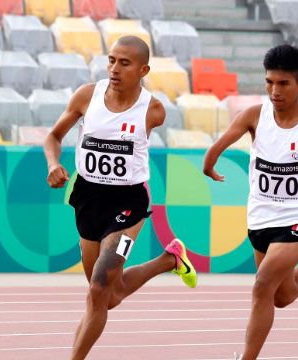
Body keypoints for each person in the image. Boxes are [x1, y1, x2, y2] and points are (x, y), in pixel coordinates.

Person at [44, 35, 198, 360]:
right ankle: (170, 260)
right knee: (106, 297)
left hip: (128, 204)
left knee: (99, 288)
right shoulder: (88, 95)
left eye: (124, 63)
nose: (114, 68)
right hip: (87, 197)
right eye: (111, 60)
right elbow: (54, 136)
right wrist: (54, 163)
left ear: (143, 69)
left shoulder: (152, 110)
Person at [201, 44, 298, 360]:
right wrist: (209, 165)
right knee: (282, 296)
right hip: (260, 218)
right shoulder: (254, 116)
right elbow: (218, 145)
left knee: (261, 287)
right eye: (269, 82)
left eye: (283, 83)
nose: (274, 90)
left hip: (297, 217)